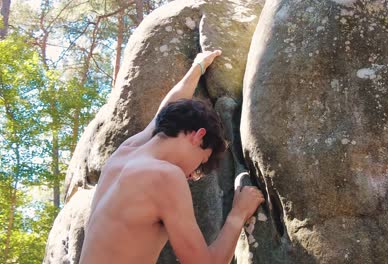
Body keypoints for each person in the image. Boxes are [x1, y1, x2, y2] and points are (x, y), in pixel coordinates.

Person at [79, 50, 265, 264]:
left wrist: (199, 67)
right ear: (198, 136)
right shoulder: (164, 176)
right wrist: (237, 214)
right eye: (200, 162)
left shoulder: (124, 154)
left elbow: (168, 107)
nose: (191, 175)